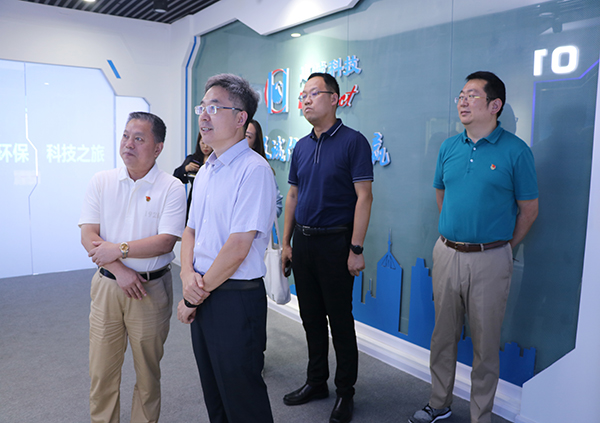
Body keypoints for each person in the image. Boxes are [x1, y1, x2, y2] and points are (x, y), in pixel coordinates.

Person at [409, 71, 539, 423]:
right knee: (443, 336)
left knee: (485, 344)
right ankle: (439, 403)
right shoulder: (449, 147)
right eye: (461, 96)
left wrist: (500, 247)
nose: (463, 102)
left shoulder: (516, 151)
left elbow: (529, 210)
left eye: (472, 96)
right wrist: (457, 234)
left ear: (495, 105)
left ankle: (480, 416)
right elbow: (442, 194)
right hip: (447, 253)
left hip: (490, 259)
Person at [176, 73, 276, 423]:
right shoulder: (207, 169)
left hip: (235, 298)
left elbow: (237, 248)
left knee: (243, 399)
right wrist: (187, 275)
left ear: (240, 118)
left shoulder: (254, 170)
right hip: (204, 289)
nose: (204, 115)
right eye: (202, 107)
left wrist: (193, 296)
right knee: (215, 395)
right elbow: (190, 230)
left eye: (215, 107)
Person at [79, 112, 186, 423]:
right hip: (107, 286)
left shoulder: (172, 187)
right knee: (101, 372)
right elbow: (88, 235)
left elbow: (166, 241)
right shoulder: (102, 181)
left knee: (147, 374)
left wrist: (118, 249)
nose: (128, 144)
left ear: (158, 148)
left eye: (139, 139)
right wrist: (121, 270)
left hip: (150, 290)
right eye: (126, 136)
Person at [281, 72, 373, 423]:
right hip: (303, 242)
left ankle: (345, 392)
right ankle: (316, 381)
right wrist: (286, 242)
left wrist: (356, 248)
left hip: (337, 241)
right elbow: (293, 195)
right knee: (310, 317)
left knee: (340, 320)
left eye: (313, 93)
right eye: (303, 95)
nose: (305, 100)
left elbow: (364, 197)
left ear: (334, 99)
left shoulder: (353, 142)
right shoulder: (302, 146)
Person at [246, 118, 283, 218]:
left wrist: (258, 218)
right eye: (241, 135)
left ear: (255, 143)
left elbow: (278, 205)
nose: (242, 140)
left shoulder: (261, 168)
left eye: (248, 136)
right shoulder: (227, 166)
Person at [173, 133, 213, 220]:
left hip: (211, 198)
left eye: (208, 143)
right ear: (198, 143)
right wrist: (186, 168)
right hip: (194, 197)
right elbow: (176, 176)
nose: (205, 146)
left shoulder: (216, 160)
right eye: (203, 143)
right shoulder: (193, 159)